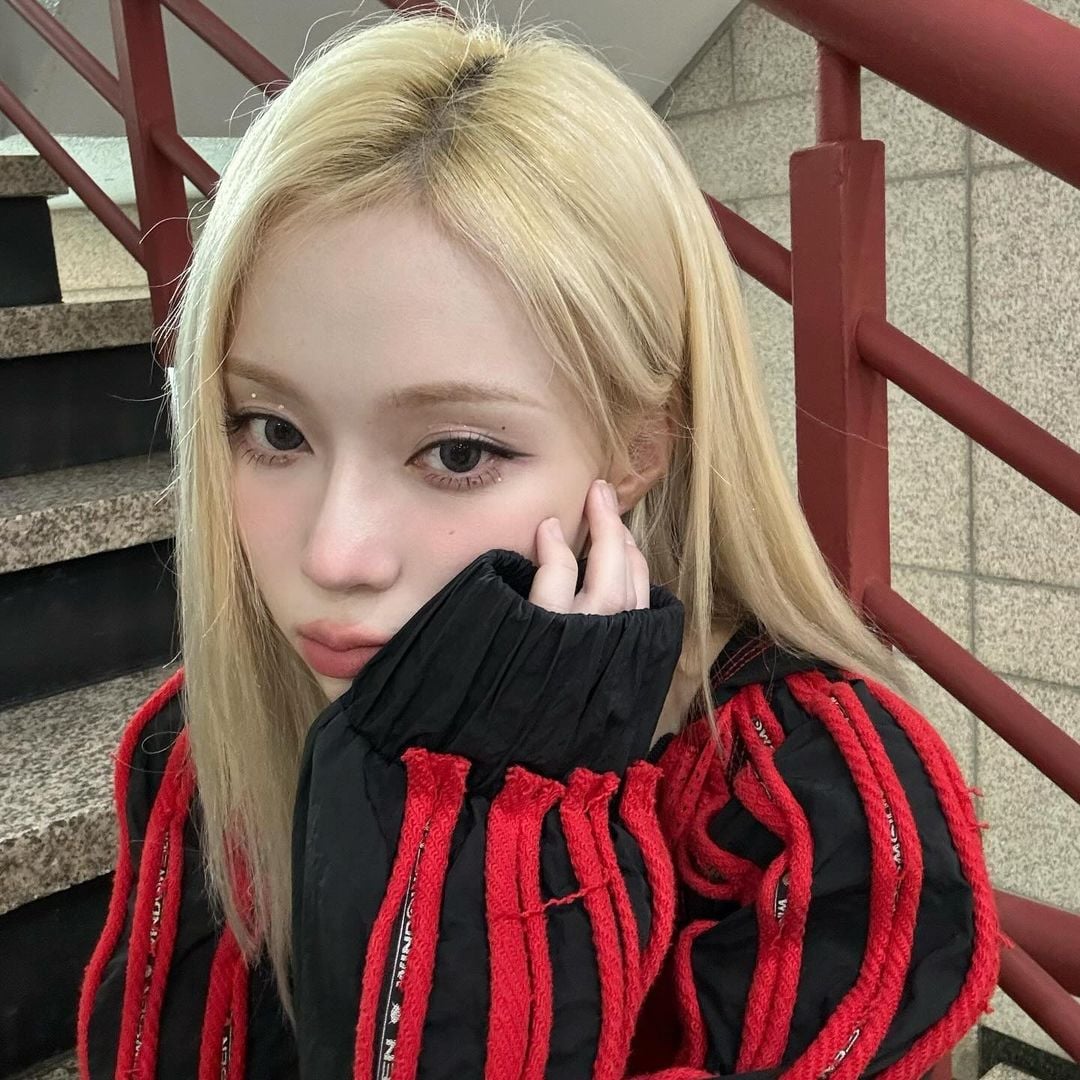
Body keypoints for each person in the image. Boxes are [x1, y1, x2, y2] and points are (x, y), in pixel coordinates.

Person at [75, 6, 999, 1078]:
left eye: (458, 453)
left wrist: (496, 836)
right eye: (274, 431)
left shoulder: (812, 809)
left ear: (636, 451)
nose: (335, 556)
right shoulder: (207, 740)